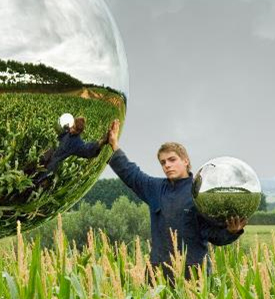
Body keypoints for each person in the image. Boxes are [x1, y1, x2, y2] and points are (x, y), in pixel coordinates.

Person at [105, 119, 246, 286]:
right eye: (163, 162)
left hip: (193, 274)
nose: (167, 165)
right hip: (157, 273)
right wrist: (114, 144)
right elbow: (130, 173)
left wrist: (231, 232)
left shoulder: (201, 193)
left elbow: (213, 234)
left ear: (185, 161)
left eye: (172, 160)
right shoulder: (155, 188)